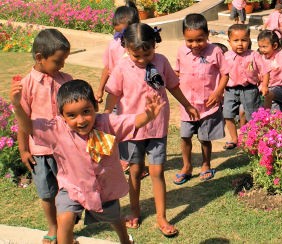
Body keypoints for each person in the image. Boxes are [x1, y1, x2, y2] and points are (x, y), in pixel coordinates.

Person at [11, 79, 166, 244]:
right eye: (71, 115)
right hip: (72, 188)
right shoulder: (57, 129)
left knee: (115, 219)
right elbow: (30, 128)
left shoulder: (107, 124)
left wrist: (148, 115)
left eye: (86, 111)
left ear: (95, 107)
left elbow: (130, 122)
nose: (81, 120)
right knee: (64, 221)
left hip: (104, 190)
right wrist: (18, 106)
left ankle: (124, 239)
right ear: (61, 115)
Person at [104, 23, 199, 237]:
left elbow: (173, 86)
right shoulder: (121, 67)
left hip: (157, 128)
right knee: (135, 171)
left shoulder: (161, 61)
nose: (142, 59)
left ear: (154, 45)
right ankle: (134, 211)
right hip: (132, 128)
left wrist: (187, 105)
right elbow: (113, 94)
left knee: (157, 172)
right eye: (136, 55)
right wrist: (107, 115)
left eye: (147, 53)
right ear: (126, 48)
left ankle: (161, 217)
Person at [16, 28, 73, 244]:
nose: (62, 66)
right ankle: (53, 227)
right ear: (40, 58)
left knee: (66, 191)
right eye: (58, 61)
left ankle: (66, 228)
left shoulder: (66, 80)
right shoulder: (26, 85)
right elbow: (22, 122)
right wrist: (23, 150)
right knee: (47, 193)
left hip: (65, 149)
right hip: (40, 152)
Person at [173, 14, 229, 184]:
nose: (195, 44)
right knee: (185, 137)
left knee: (204, 138)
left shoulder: (216, 51)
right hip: (187, 105)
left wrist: (218, 92)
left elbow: (225, 73)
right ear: (184, 36)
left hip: (208, 105)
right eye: (190, 40)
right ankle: (187, 166)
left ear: (207, 35)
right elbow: (176, 72)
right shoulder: (182, 52)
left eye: (200, 39)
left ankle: (206, 164)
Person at [95, 1, 146, 176]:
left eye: (124, 32)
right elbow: (108, 68)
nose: (121, 36)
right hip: (116, 95)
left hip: (136, 96)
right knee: (112, 124)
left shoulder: (142, 43)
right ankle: (117, 160)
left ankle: (136, 162)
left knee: (135, 127)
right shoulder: (113, 45)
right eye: (118, 32)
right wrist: (100, 89)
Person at [223, 24, 270, 149]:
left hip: (250, 90)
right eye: (236, 40)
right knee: (227, 114)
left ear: (249, 40)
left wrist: (264, 85)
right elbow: (220, 74)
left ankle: (250, 137)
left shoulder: (254, 55)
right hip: (230, 90)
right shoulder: (226, 56)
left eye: (243, 40)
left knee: (252, 115)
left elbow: (265, 71)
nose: (240, 44)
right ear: (229, 41)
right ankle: (234, 138)